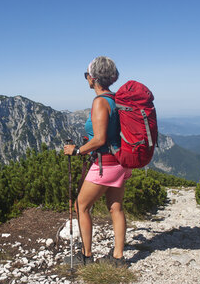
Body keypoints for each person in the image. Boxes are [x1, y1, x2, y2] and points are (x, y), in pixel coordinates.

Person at [64, 56, 131, 267]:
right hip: (121, 163)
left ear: (93, 78)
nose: (86, 79)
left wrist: (77, 151)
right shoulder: (116, 99)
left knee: (80, 206)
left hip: (106, 165)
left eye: (87, 75)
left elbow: (100, 139)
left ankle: (86, 257)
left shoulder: (101, 102)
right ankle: (118, 258)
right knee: (116, 208)